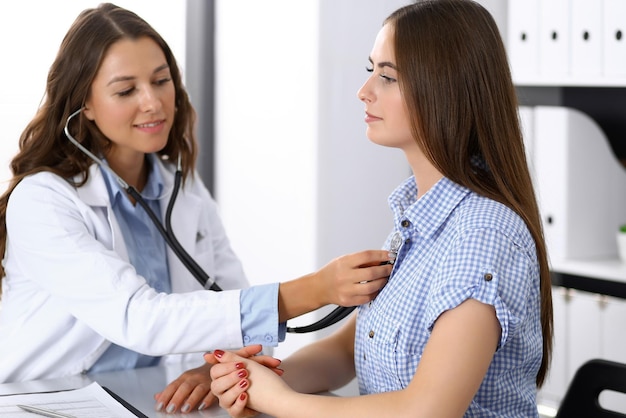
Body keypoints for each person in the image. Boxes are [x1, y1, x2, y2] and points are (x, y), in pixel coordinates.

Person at [0, 2, 393, 414]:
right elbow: (137, 317)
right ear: (86, 105)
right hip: (45, 402)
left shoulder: (180, 188)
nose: (153, 102)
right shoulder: (43, 200)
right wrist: (315, 289)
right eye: (126, 90)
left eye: (161, 80)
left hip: (149, 399)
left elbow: (231, 299)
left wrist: (218, 368)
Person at [208, 0, 554, 417]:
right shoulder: (418, 218)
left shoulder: (481, 236)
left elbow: (426, 411)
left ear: (444, 89)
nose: (364, 91)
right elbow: (349, 350)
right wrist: (259, 378)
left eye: (387, 77)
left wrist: (279, 400)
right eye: (371, 70)